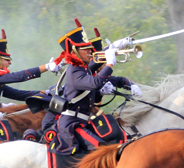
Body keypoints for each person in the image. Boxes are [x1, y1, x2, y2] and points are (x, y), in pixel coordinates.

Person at [51, 25, 135, 155]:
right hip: (72, 125)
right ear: (74, 51)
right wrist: (110, 64)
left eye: (89, 48)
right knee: (105, 151)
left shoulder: (83, 68)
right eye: (85, 49)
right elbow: (95, 83)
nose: (90, 51)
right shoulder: (74, 71)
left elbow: (95, 62)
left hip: (83, 121)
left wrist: (114, 46)